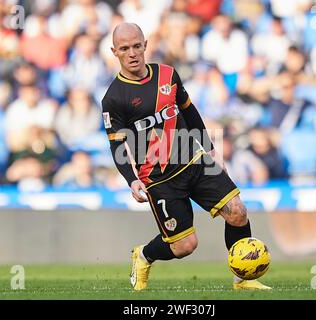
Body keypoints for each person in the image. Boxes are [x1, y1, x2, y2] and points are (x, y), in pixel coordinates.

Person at [101, 23, 271, 291]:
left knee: (237, 212)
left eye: (136, 46)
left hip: (193, 159)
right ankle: (144, 255)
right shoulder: (114, 98)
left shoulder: (168, 75)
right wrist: (131, 179)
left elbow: (189, 113)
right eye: (124, 48)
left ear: (145, 44)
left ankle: (243, 281)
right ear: (115, 52)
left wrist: (211, 149)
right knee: (184, 246)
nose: (132, 53)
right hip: (158, 178)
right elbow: (118, 145)